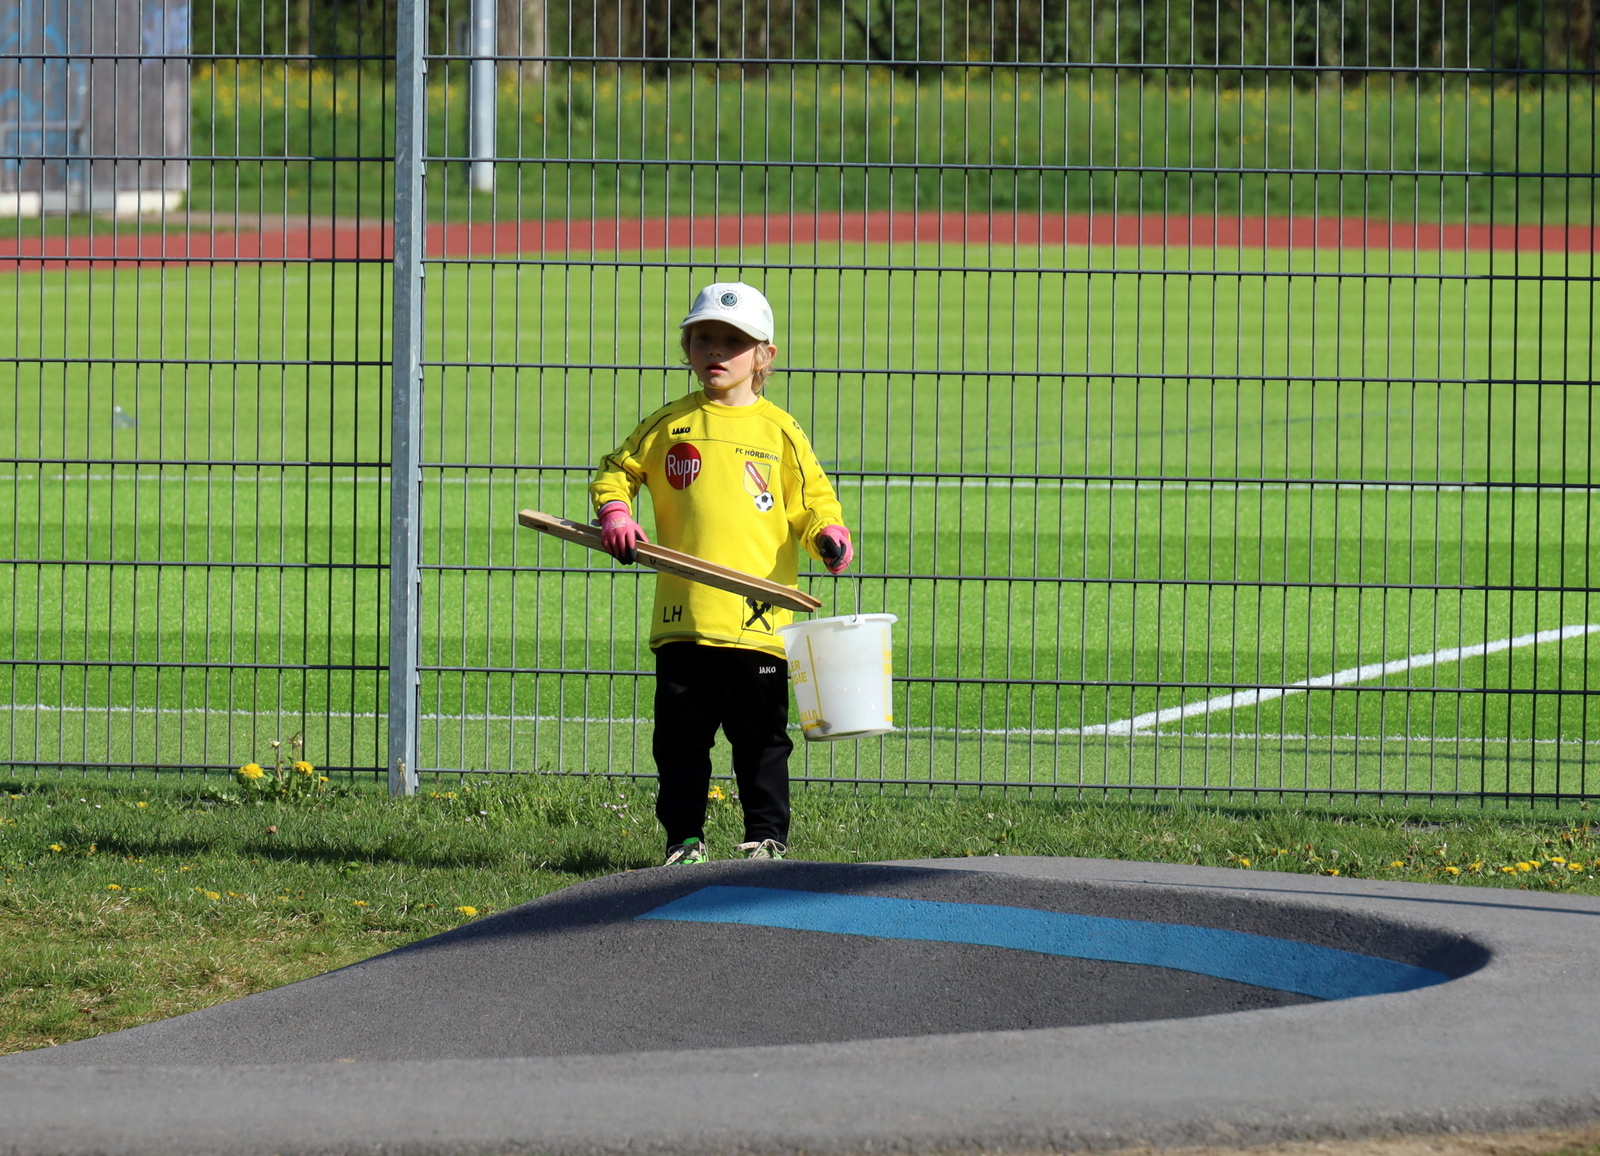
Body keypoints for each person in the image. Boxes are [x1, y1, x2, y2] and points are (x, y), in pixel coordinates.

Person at [589, 282, 853, 865]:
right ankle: (684, 840)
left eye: (733, 341)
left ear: (764, 356)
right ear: (686, 346)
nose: (716, 350)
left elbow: (812, 503)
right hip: (684, 619)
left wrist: (827, 537)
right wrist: (616, 512)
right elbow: (615, 471)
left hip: (758, 621)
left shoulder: (779, 430)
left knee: (761, 741)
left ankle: (766, 839)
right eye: (703, 337)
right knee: (679, 742)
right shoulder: (669, 423)